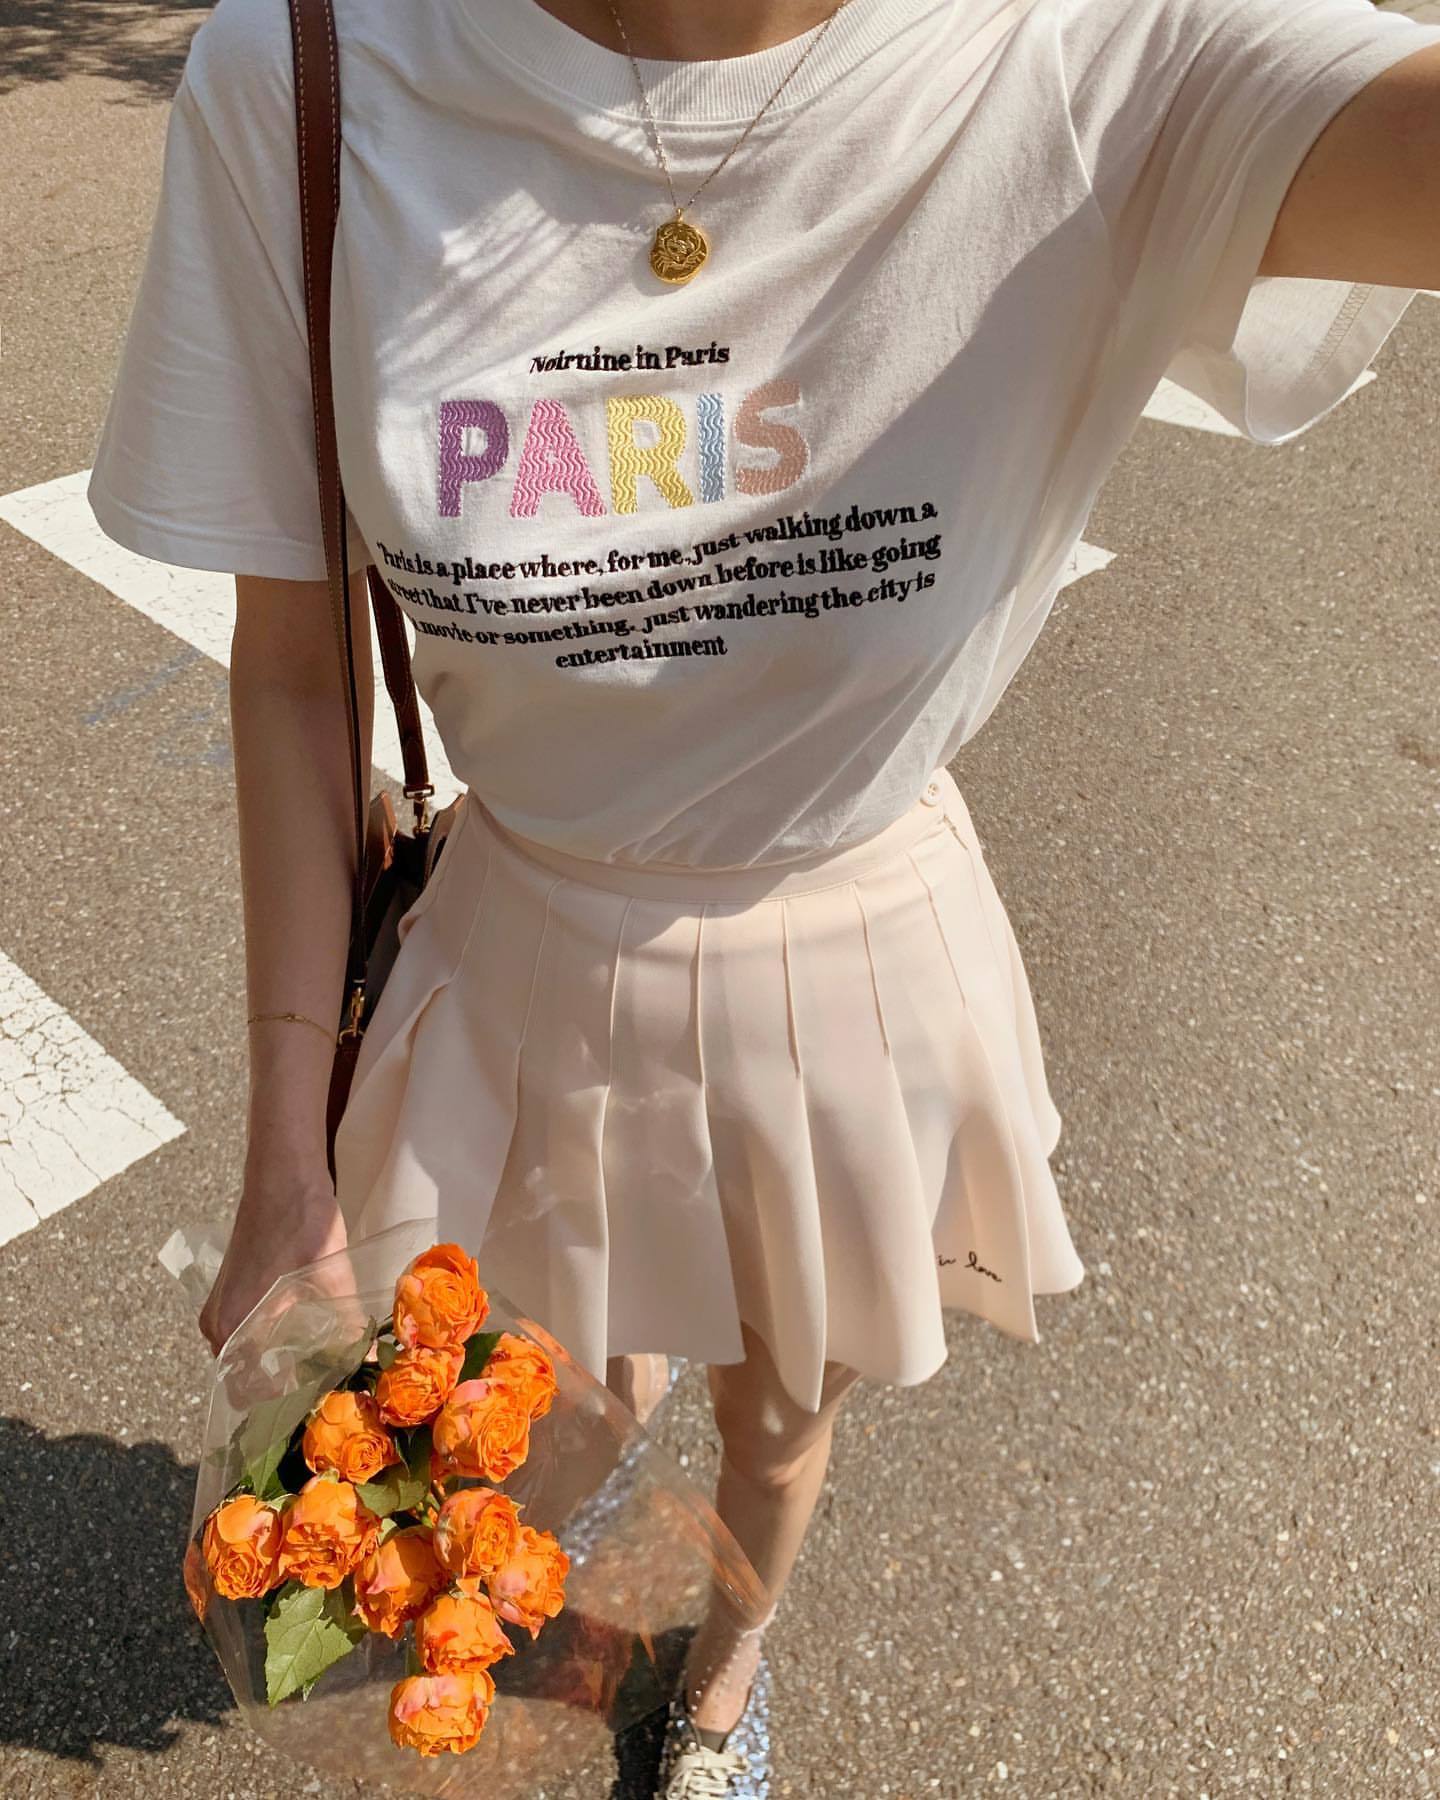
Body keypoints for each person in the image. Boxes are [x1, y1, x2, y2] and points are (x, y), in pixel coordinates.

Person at [86, 0, 1440, 1791]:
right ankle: (594, 1536)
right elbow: (294, 661)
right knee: (554, 1384)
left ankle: (725, 1668)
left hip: (847, 958)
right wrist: (282, 1155)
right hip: (520, 940)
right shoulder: (315, 66)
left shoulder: (1089, 48)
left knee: (784, 1417)